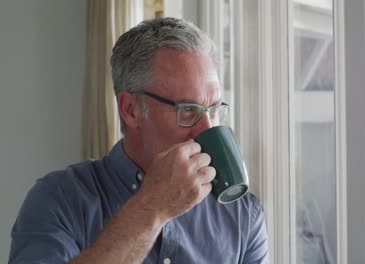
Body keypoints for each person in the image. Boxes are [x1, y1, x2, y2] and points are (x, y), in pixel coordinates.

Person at [9, 17, 268, 264]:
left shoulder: (242, 215)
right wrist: (152, 208)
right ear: (131, 109)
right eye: (188, 109)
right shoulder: (59, 200)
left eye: (212, 109)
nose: (206, 128)